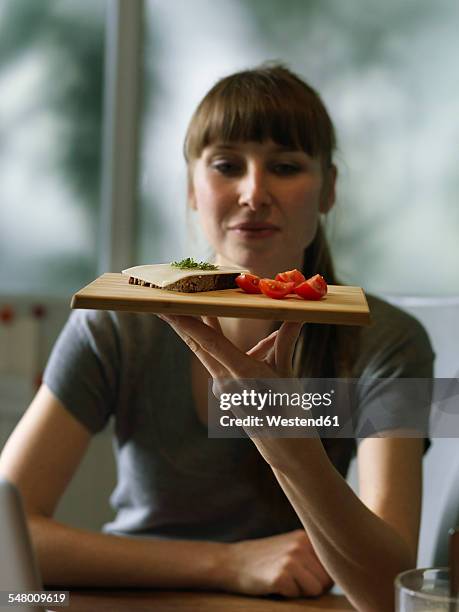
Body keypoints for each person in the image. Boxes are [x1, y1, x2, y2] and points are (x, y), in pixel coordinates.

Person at [0, 64, 433, 611]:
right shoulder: (115, 325)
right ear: (191, 189)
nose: (255, 193)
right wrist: (227, 564)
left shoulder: (392, 342)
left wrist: (288, 442)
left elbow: (392, 592)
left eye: (286, 166)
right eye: (227, 165)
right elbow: (7, 536)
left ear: (329, 190)